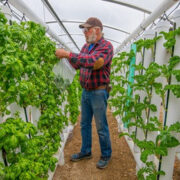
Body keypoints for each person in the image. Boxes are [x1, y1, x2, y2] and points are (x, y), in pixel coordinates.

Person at [55, 17, 113, 169]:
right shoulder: (85, 47)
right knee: (85, 124)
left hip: (99, 92)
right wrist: (62, 60)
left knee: (101, 126)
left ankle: (106, 154)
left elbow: (93, 61)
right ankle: (86, 151)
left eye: (87, 30)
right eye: (84, 30)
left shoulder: (106, 46)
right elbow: (78, 63)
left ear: (97, 30)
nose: (84, 33)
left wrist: (68, 54)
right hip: (86, 91)